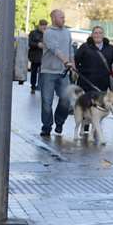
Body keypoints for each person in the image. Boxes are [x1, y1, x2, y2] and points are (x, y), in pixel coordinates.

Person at [38, 8, 76, 137]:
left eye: (64, 17)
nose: (64, 19)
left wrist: (73, 64)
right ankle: (47, 126)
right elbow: (55, 49)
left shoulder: (67, 32)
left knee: (66, 99)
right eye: (61, 17)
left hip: (63, 72)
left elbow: (70, 49)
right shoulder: (48, 32)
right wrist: (66, 61)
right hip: (48, 71)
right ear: (53, 18)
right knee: (46, 102)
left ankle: (59, 122)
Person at [73, 27, 113, 99]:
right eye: (96, 33)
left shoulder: (110, 48)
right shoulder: (85, 47)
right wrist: (75, 71)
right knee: (85, 106)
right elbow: (75, 59)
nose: (98, 35)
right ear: (92, 35)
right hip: (86, 82)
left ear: (103, 35)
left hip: (102, 83)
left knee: (99, 107)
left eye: (100, 33)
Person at [27, 20, 47, 93]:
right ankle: (33, 86)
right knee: (34, 72)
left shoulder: (47, 33)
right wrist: (37, 44)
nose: (43, 27)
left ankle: (40, 86)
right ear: (39, 25)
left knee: (43, 73)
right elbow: (30, 43)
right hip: (35, 56)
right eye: (42, 25)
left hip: (44, 57)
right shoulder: (33, 33)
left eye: (45, 26)